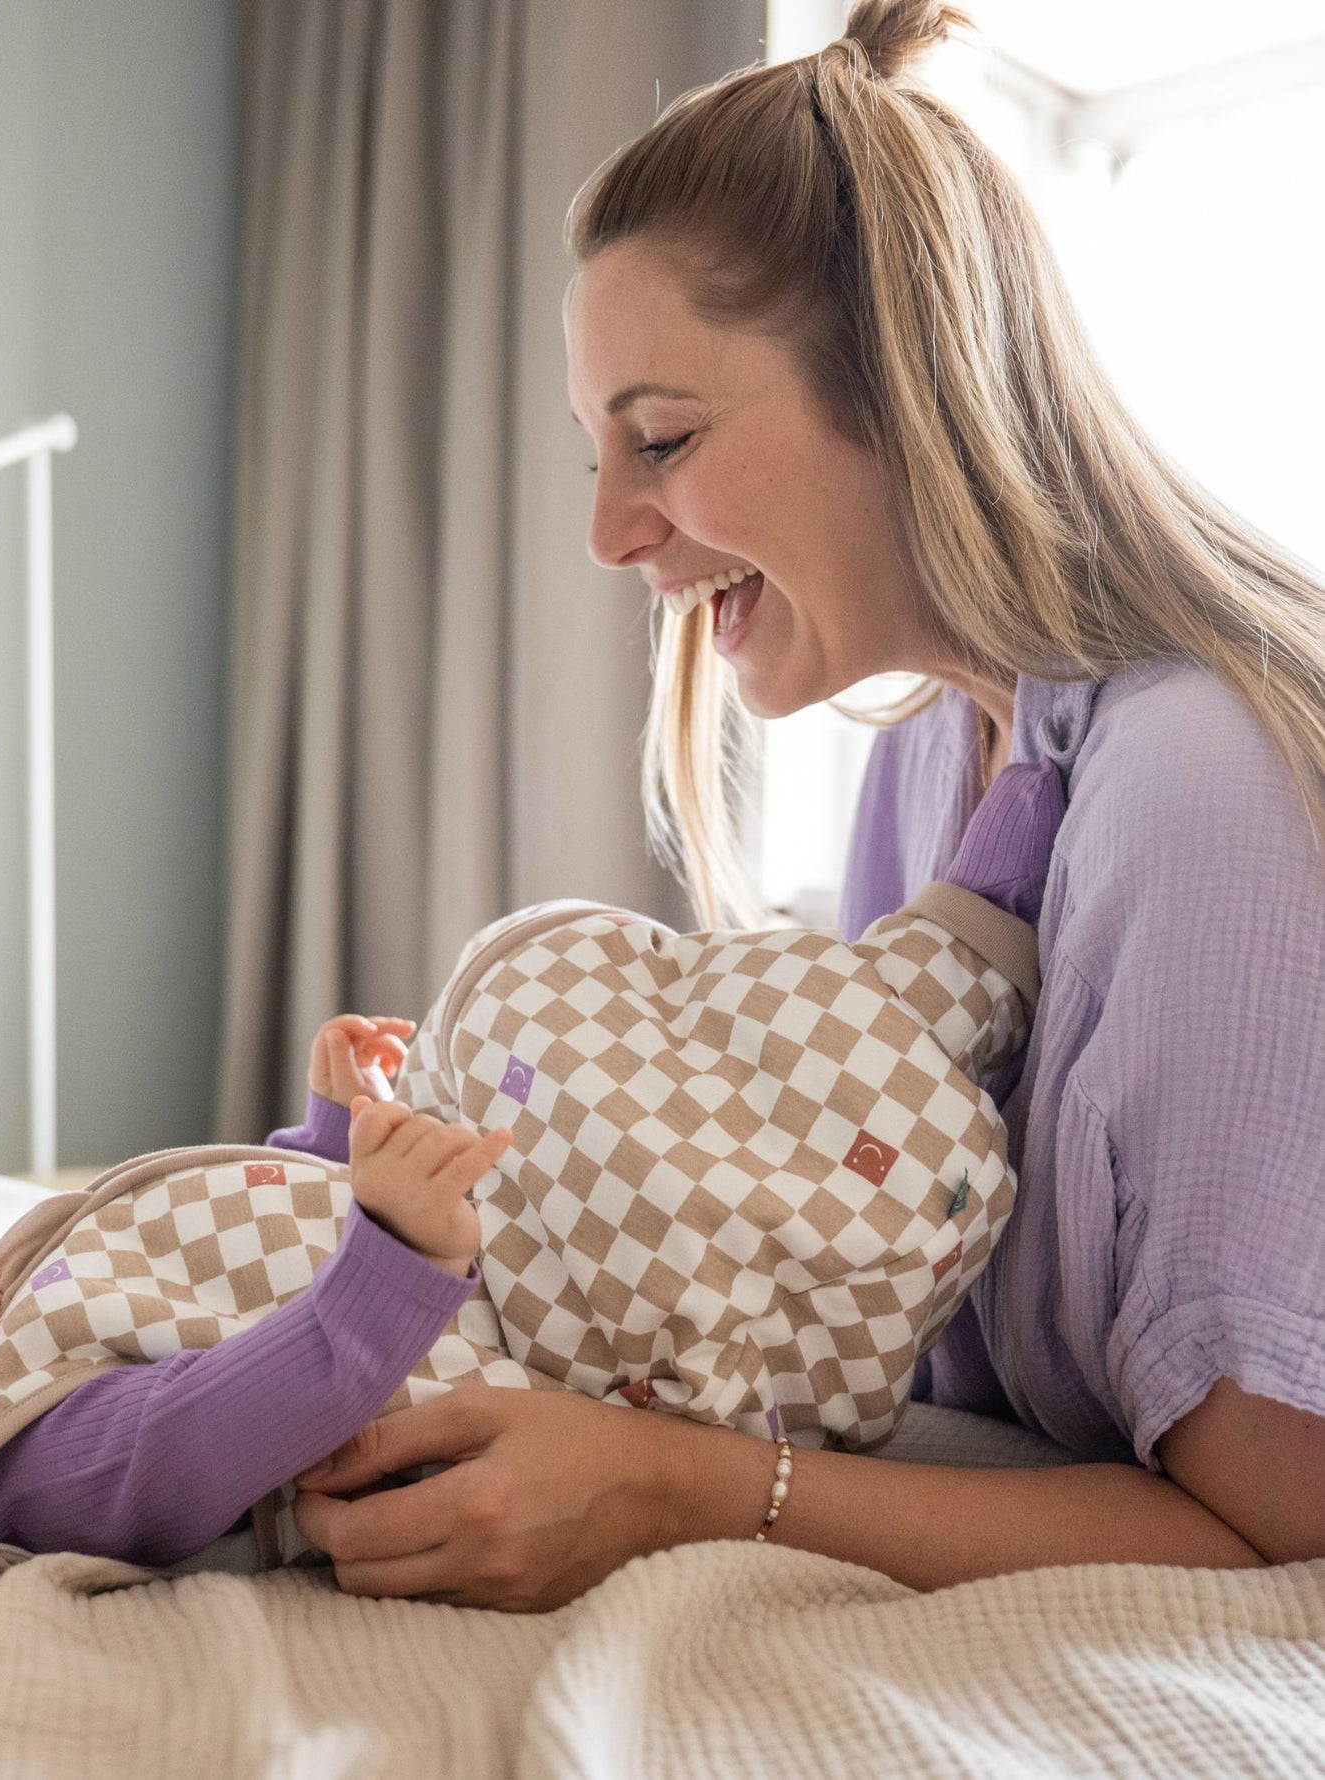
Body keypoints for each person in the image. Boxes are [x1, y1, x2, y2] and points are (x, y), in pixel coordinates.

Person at [289, 0, 1325, 1608]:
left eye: (666, 438)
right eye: (596, 457)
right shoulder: (924, 767)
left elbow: (1285, 1520)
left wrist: (673, 1489)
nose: (612, 533)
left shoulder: (1200, 787)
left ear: (912, 389)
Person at [0, 761, 1056, 1563]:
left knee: (566, 1025)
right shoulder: (29, 1463)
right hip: (567, 1351)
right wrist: (396, 1249)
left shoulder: (20, 1302)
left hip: (477, 1263)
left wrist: (336, 1138)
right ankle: (950, 980)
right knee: (606, 1084)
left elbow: (232, 1255)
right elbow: (258, 1398)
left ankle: (940, 966)